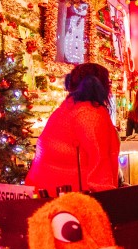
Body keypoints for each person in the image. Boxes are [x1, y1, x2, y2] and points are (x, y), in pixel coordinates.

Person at [26, 63, 120, 196]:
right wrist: (108, 200)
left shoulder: (64, 110)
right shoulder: (92, 113)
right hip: (73, 198)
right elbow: (100, 164)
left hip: (42, 194)